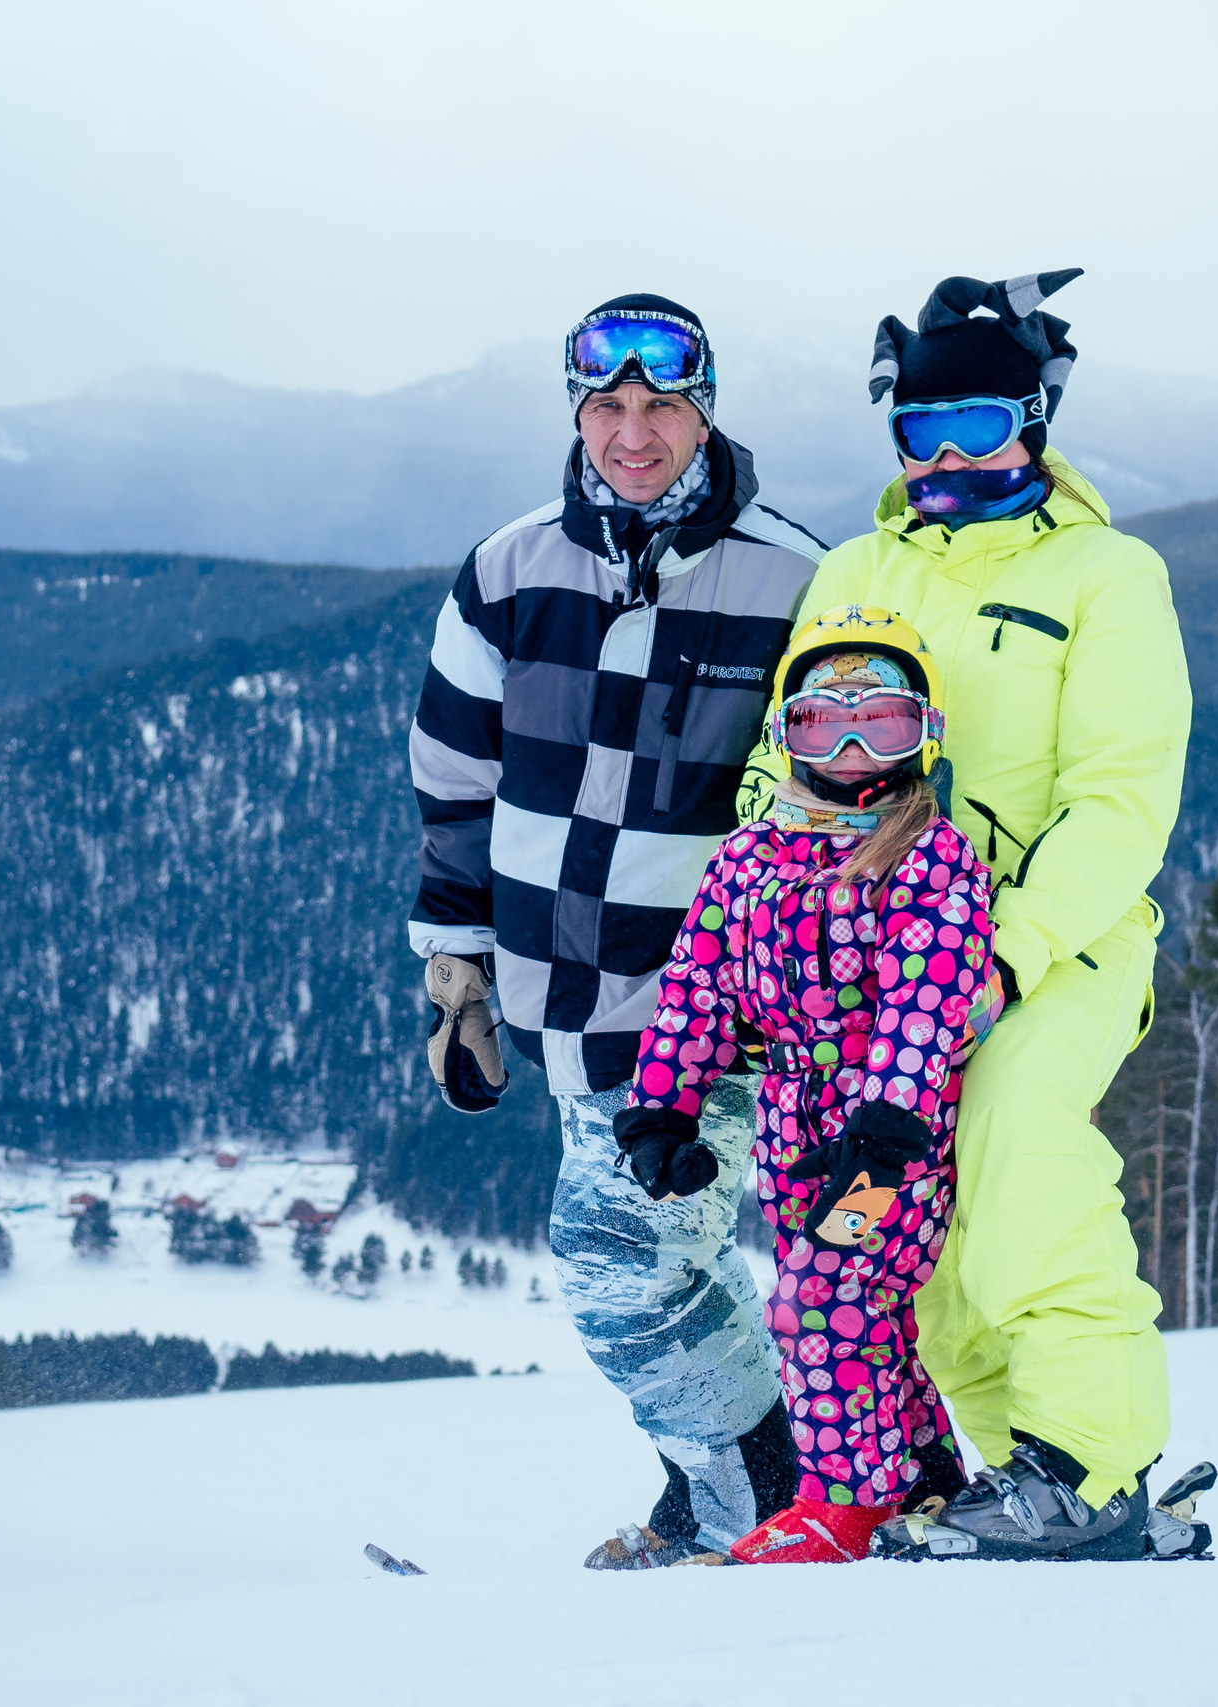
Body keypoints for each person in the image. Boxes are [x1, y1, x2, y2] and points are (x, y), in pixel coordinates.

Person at [737, 271, 1200, 1561]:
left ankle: (1093, 1467)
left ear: (1034, 420)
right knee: (903, 1221)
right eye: (920, 432)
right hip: (865, 961)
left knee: (1007, 1147)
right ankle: (1016, 1469)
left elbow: (1120, 799)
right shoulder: (854, 568)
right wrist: (768, 927)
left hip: (1054, 945)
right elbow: (788, 758)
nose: (948, 456)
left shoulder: (1108, 573)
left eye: (981, 425)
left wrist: (1008, 954)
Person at [406, 293, 825, 1566]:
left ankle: (748, 1506)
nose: (633, 435)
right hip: (556, 998)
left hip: (712, 1015)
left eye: (662, 407)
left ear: (707, 412)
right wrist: (457, 964)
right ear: (578, 411)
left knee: (612, 1269)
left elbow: (837, 797)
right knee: (675, 1273)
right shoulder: (508, 568)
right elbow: (451, 778)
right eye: (608, 406)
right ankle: (755, 1493)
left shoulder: (795, 579)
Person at [612, 606, 1000, 1563]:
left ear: (926, 733)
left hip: (885, 1137)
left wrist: (887, 1122)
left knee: (818, 1303)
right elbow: (698, 986)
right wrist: (662, 1106)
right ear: (786, 735)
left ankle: (844, 1506)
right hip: (792, 1128)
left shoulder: (930, 856)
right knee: (856, 1310)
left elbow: (931, 990)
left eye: (886, 722)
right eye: (826, 722)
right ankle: (925, 1478)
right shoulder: (750, 857)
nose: (858, 749)